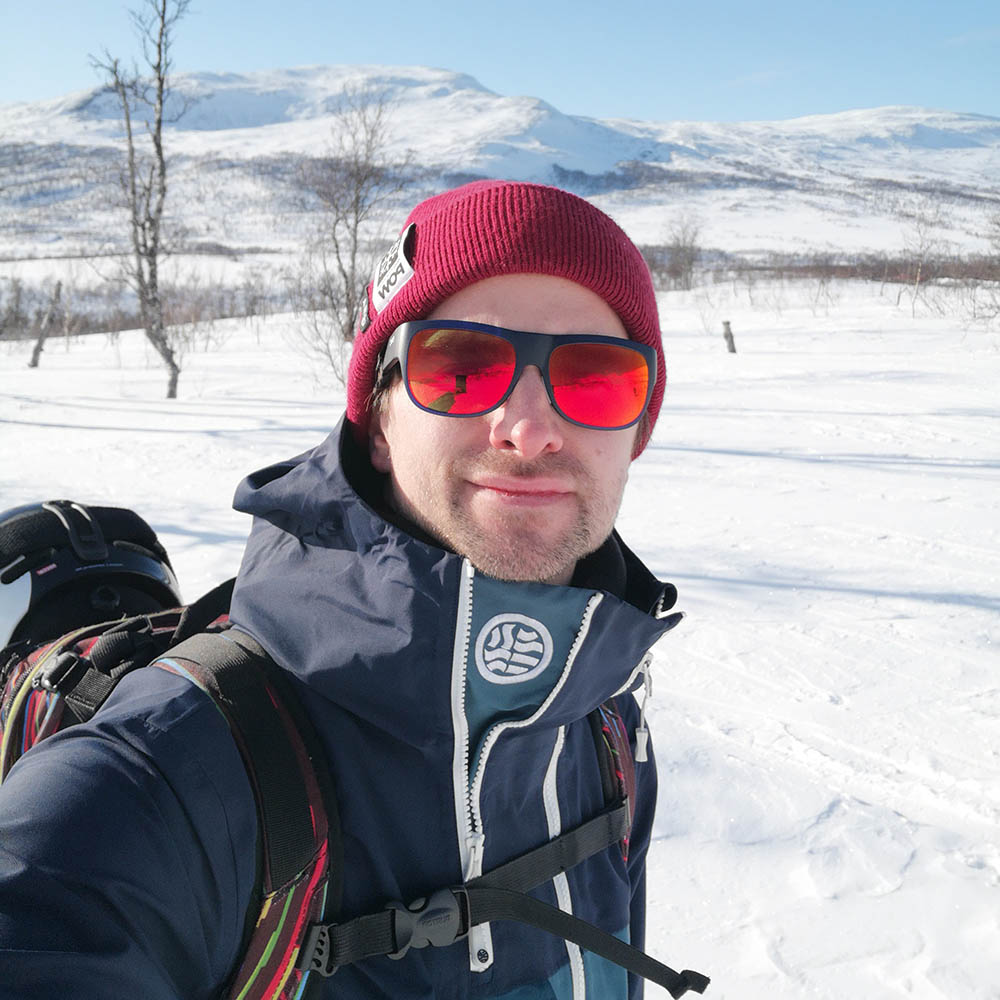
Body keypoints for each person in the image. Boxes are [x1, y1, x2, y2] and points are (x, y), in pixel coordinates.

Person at [0, 180, 682, 999]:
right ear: (380, 419)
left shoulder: (604, 726)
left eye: (596, 377)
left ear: (637, 431)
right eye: (462, 367)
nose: (529, 427)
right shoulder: (167, 779)